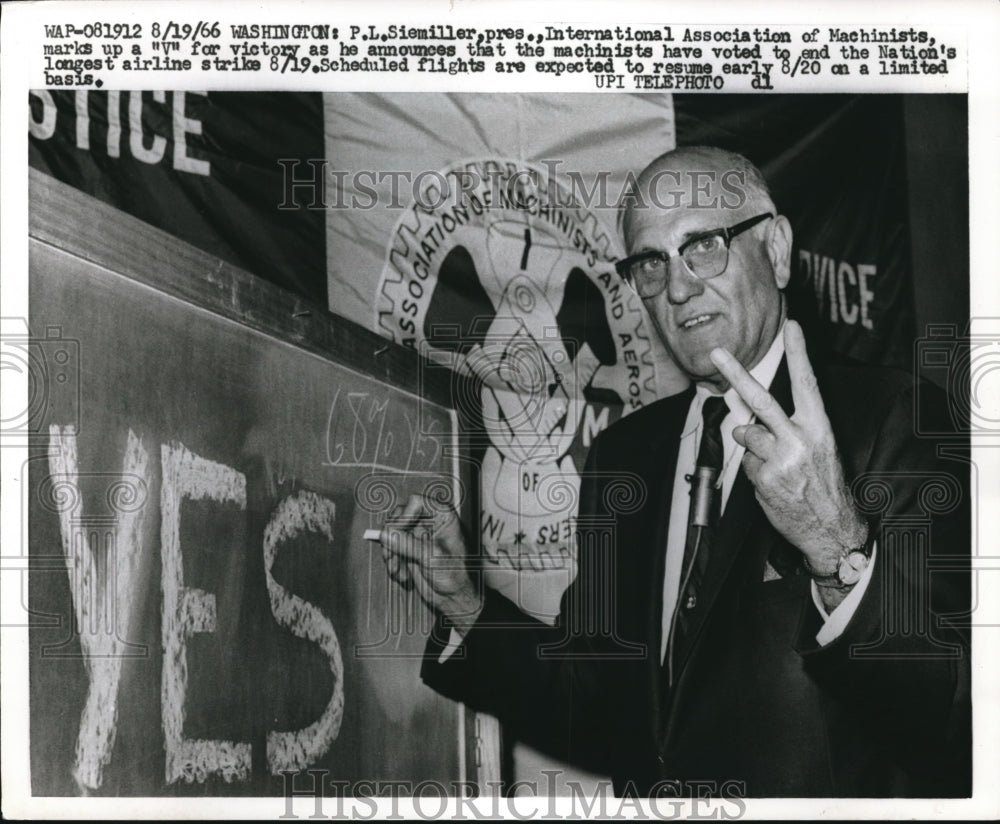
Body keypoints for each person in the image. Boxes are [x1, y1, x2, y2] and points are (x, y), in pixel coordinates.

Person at [376, 146, 971, 797]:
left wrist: (836, 551)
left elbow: (955, 720)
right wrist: (463, 600)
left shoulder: (896, 419)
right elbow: (597, 701)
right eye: (652, 263)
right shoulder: (625, 456)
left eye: (705, 245)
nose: (679, 286)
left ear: (775, 248)